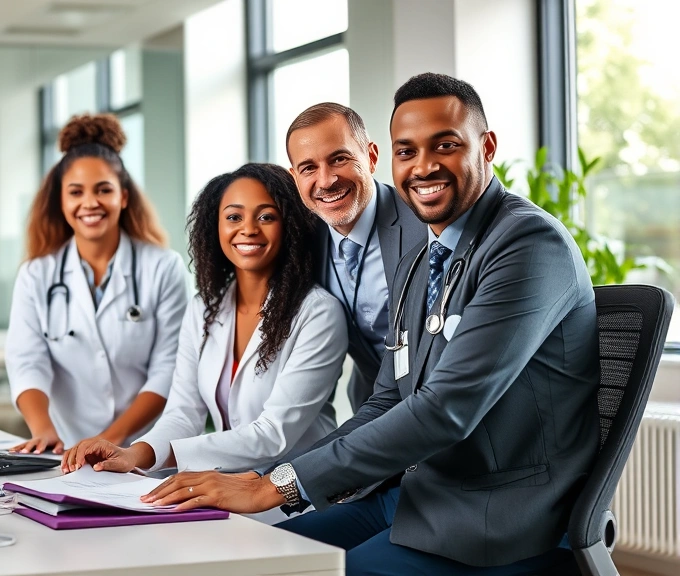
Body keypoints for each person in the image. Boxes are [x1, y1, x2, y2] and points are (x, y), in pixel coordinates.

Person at [138, 73, 599, 575]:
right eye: (409, 151)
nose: (424, 166)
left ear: (486, 146)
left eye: (445, 145)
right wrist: (275, 477)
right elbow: (386, 397)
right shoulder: (429, 254)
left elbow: (446, 409)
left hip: (495, 510)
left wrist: (277, 484)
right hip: (418, 489)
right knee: (248, 557)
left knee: (308, 570)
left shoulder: (528, 243)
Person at [62, 163, 346, 474]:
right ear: (216, 227)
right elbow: (184, 412)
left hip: (298, 496)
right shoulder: (204, 308)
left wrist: (143, 457)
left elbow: (272, 435)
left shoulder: (318, 313)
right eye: (233, 217)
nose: (248, 229)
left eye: (266, 216)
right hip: (226, 485)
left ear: (290, 226)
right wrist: (131, 454)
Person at [6, 113, 188, 453]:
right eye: (76, 192)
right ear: (61, 201)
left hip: (145, 450)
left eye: (103, 190)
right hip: (66, 451)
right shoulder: (37, 274)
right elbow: (27, 361)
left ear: (124, 196)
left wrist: (113, 438)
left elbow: (169, 370)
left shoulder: (164, 267)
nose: (90, 203)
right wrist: (43, 431)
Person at [287, 103, 426, 412]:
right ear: (294, 177)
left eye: (339, 158)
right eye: (309, 168)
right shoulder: (302, 241)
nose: (325, 181)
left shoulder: (426, 224)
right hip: (370, 408)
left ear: (372, 156)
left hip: (444, 410)